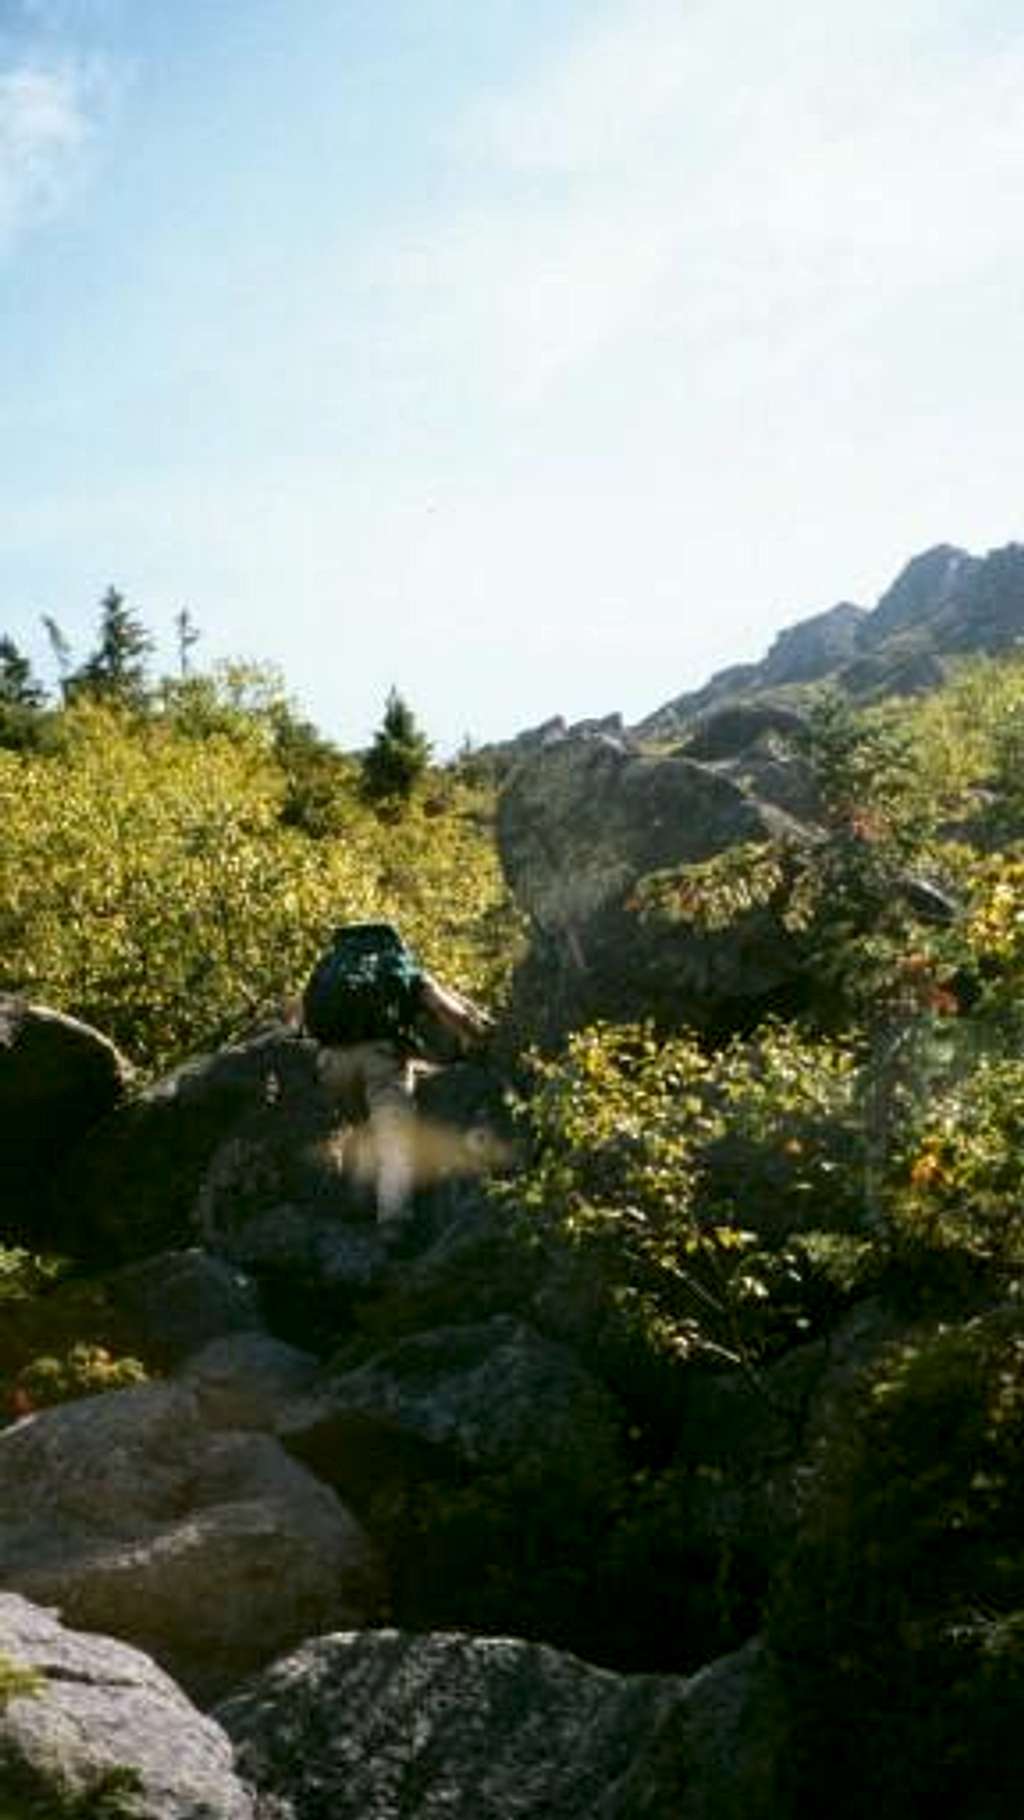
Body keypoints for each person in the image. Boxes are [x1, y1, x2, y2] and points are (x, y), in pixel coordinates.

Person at [307, 926, 493, 1235]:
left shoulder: (331, 968)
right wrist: (478, 1037)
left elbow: (302, 1017)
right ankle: (392, 1225)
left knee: (363, 1129)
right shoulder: (397, 964)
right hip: (381, 1060)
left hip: (330, 1063)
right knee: (395, 1142)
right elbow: (447, 1010)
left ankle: (356, 1207)